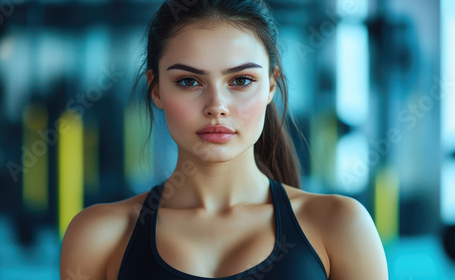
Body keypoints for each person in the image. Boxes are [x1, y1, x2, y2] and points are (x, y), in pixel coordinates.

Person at [60, 0, 389, 279]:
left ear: (271, 85)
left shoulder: (340, 226)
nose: (216, 106)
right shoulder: (98, 235)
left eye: (241, 80)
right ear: (156, 88)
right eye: (189, 82)